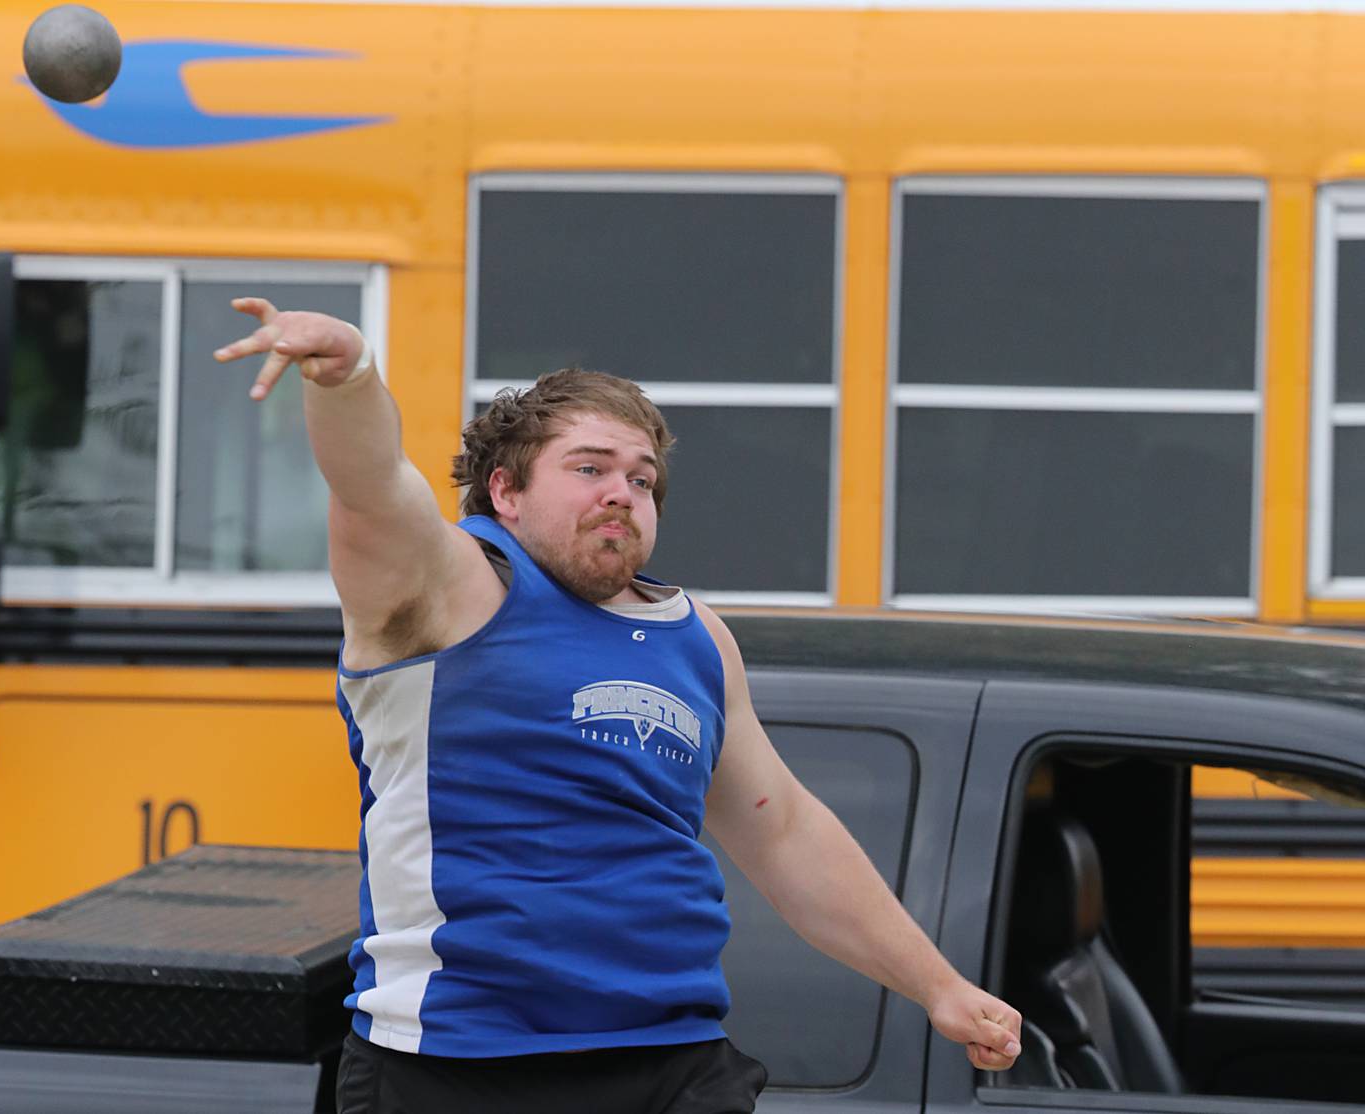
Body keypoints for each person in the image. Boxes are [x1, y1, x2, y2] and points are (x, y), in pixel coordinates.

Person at [215, 298, 1022, 1114]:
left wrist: (937, 986)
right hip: (459, 1064)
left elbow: (784, 834)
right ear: (505, 490)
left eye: (642, 479)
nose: (623, 494)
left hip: (671, 1059)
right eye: (590, 468)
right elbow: (373, 486)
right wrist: (348, 378)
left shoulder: (696, 637)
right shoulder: (447, 589)